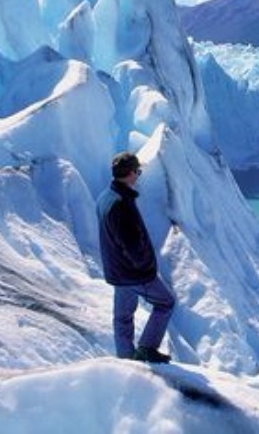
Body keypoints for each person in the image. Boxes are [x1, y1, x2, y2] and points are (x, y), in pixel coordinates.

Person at [96, 151, 175, 364]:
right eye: (138, 171)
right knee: (166, 302)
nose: (139, 175)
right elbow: (130, 244)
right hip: (134, 273)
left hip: (117, 271)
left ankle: (126, 360)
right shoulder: (121, 204)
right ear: (130, 173)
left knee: (122, 318)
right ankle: (147, 349)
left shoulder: (105, 198)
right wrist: (146, 267)